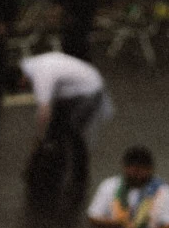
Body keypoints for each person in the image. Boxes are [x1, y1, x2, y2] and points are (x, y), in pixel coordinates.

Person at [21, 50, 112, 200]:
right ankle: (58, 171)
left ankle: (78, 177)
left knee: (72, 133)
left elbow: (44, 112)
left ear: (22, 79)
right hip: (76, 91)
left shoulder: (40, 74)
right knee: (59, 133)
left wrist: (39, 138)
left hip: (87, 93)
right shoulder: (36, 64)